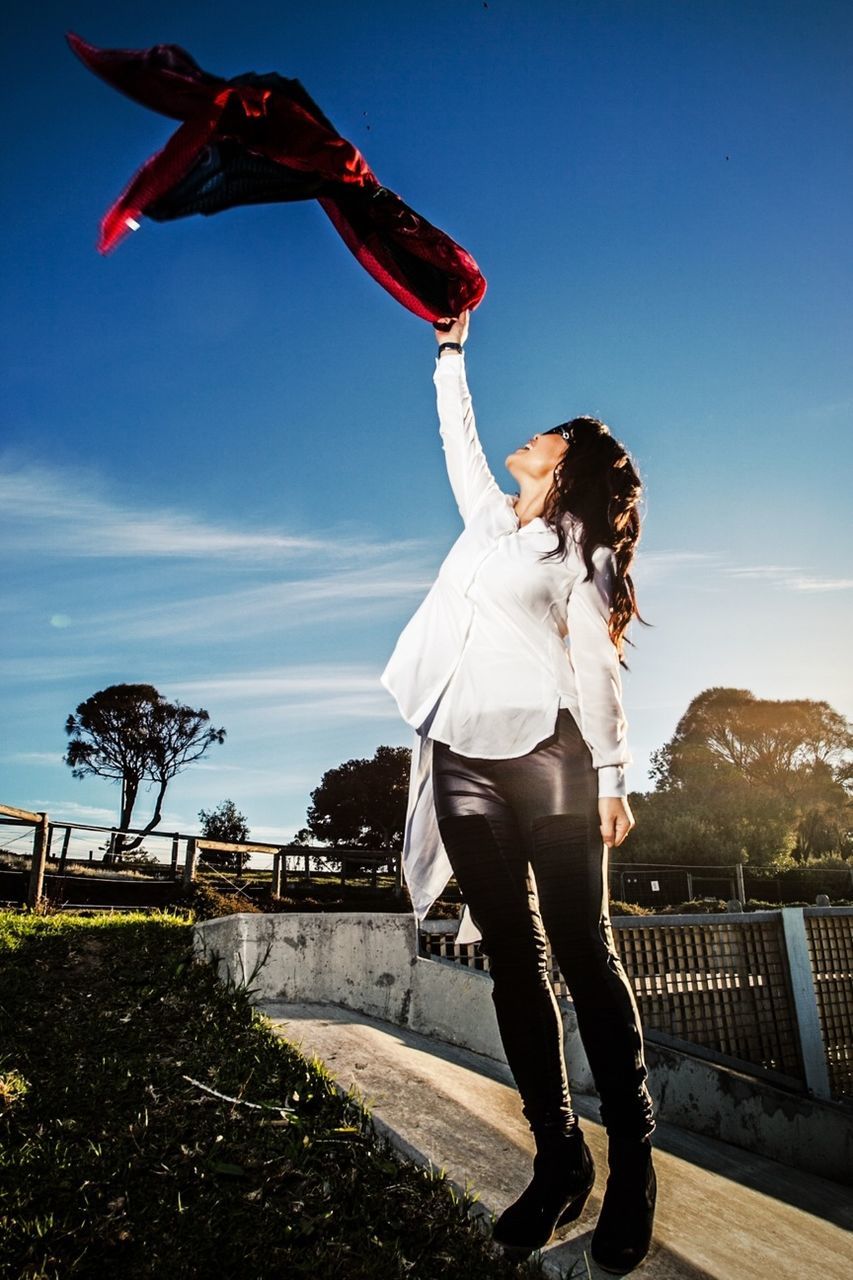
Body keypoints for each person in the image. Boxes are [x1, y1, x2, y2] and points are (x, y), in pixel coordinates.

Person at [380, 309, 657, 1271]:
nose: (529, 435)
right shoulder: (491, 523)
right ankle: (558, 1159)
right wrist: (450, 351)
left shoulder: (580, 548)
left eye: (550, 433)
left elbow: (596, 666)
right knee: (512, 958)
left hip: (551, 764)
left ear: (567, 462)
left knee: (582, 953)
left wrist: (614, 777)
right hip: (460, 759)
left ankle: (633, 1168)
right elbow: (457, 440)